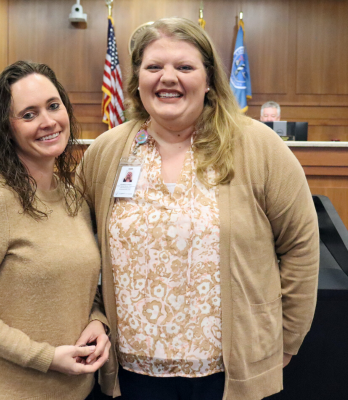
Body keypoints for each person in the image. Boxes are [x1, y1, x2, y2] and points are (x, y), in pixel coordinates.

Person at [80, 18, 319, 400]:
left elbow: (301, 246)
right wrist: (94, 316)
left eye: (185, 67)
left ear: (208, 80)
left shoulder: (260, 147)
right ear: (137, 79)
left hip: (228, 372)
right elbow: (79, 250)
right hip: (132, 372)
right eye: (154, 67)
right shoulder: (105, 154)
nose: (168, 78)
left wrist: (287, 338)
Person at [0, 61, 110, 400]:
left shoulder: (74, 195)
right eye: (28, 115)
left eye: (53, 106)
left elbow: (85, 286)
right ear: (7, 128)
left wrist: (98, 321)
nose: (48, 122)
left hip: (78, 390)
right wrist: (43, 357)